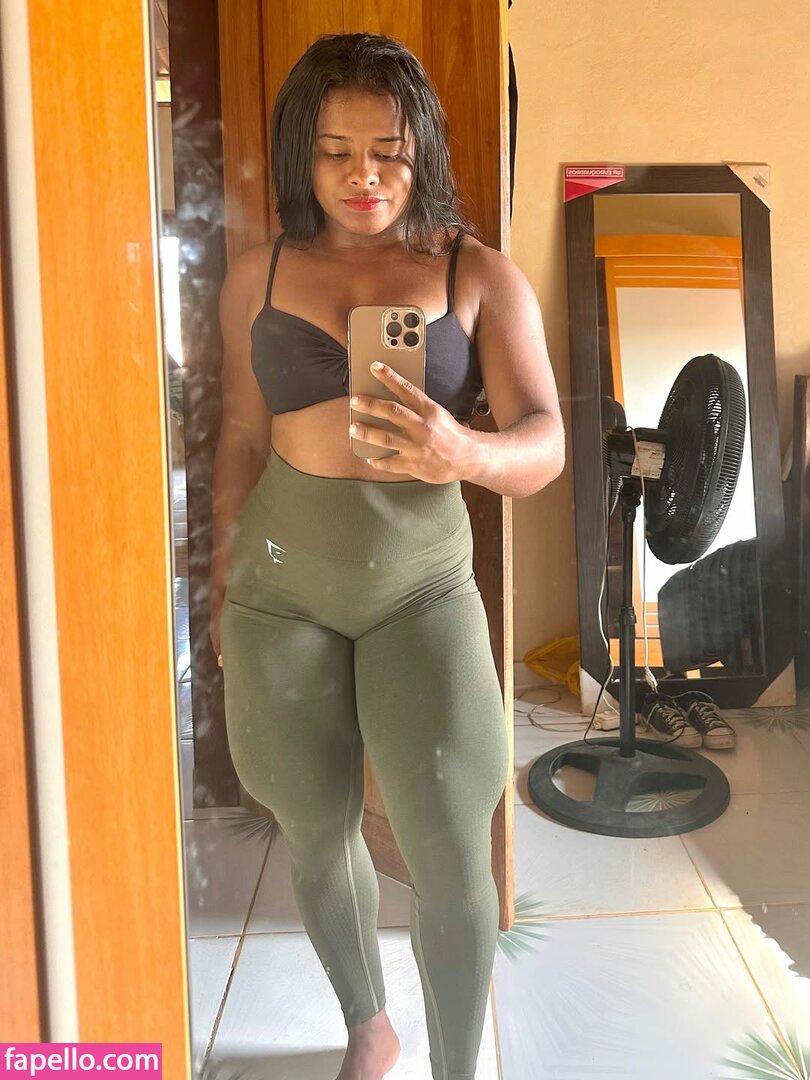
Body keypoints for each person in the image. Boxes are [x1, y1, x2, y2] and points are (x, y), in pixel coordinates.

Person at [209, 32, 564, 1080]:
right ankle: (368, 1025)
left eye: (387, 152)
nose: (362, 176)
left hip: (423, 589)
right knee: (314, 829)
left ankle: (457, 1068)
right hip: (280, 591)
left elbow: (546, 441)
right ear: (302, 154)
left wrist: (466, 451)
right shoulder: (257, 275)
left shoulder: (476, 273)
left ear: (422, 154)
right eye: (334, 151)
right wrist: (222, 579)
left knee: (450, 851)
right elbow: (239, 437)